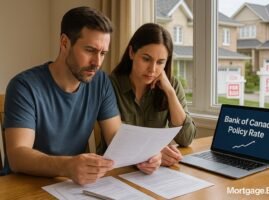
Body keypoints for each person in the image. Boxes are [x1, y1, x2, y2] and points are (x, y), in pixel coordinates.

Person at [3, 7, 161, 185]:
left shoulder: (100, 82)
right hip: (23, 186)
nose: (97, 62)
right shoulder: (24, 86)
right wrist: (67, 166)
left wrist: (145, 154)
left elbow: (116, 138)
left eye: (103, 53)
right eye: (90, 50)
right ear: (64, 43)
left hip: (71, 186)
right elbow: (17, 155)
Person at [108, 23, 196, 167]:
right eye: (146, 59)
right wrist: (154, 152)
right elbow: (112, 142)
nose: (152, 69)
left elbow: (186, 139)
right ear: (131, 53)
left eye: (161, 62)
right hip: (116, 171)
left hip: (155, 174)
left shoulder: (171, 85)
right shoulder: (110, 86)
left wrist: (170, 93)